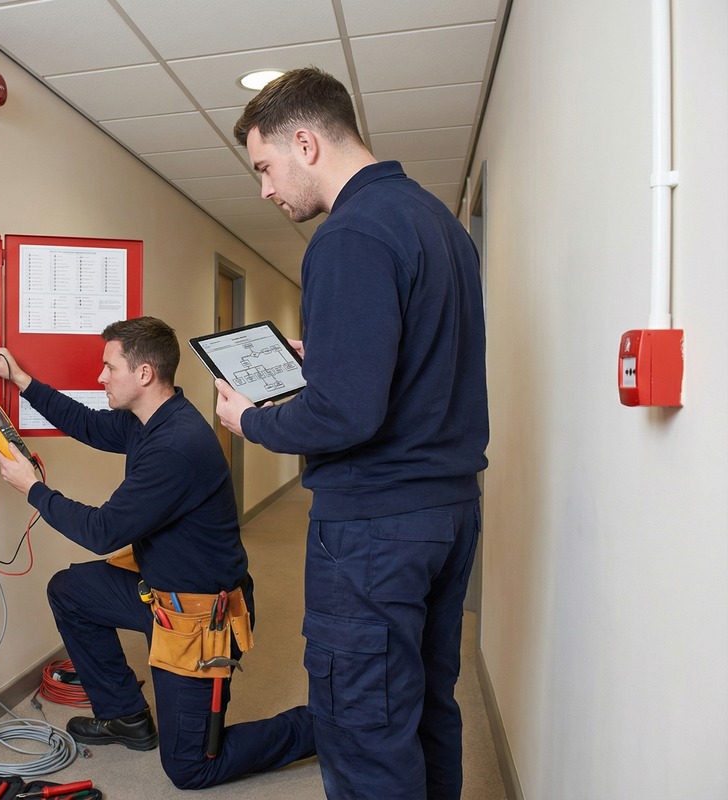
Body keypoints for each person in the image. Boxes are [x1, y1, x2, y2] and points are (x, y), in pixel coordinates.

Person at [215, 67, 490, 800]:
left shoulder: (348, 235)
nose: (266, 190)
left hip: (376, 529)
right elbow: (412, 363)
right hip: (447, 513)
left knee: (365, 723)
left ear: (304, 141)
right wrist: (328, 356)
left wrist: (251, 419)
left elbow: (346, 416)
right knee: (426, 705)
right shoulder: (437, 225)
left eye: (265, 167)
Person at [0, 317, 314, 790]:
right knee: (70, 591)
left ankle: (324, 727)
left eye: (109, 367)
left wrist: (34, 490)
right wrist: (22, 380)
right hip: (159, 591)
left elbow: (103, 531)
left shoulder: (176, 445)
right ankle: (124, 716)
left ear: (145, 374)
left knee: (191, 767)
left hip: (202, 619)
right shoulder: (150, 419)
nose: (100, 377)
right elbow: (88, 425)